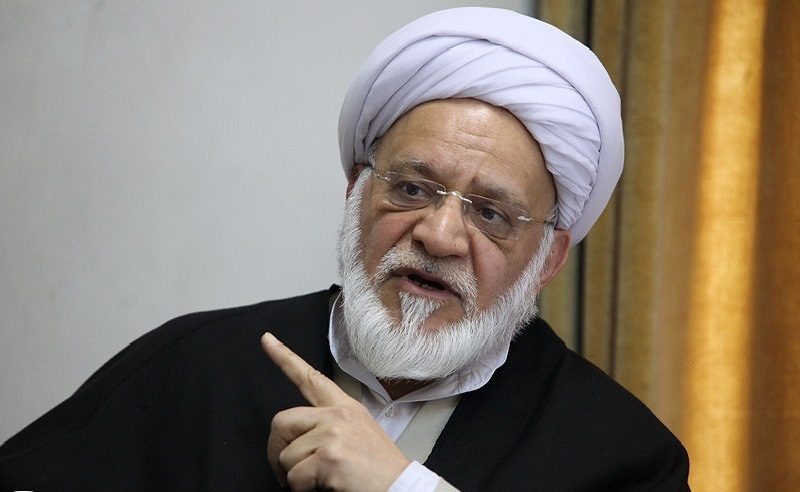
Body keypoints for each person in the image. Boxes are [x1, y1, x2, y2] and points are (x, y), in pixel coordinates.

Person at [0, 7, 689, 491]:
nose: (439, 235)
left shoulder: (622, 454)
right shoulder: (190, 369)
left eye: (491, 213)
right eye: (412, 189)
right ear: (358, 191)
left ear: (549, 259)